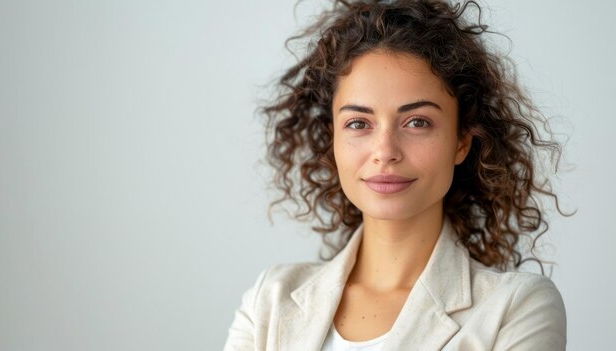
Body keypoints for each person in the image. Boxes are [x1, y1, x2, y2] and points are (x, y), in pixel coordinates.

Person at [225, 0, 568, 349]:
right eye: (358, 123)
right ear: (333, 141)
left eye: (417, 122)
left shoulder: (516, 307)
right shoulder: (269, 300)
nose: (385, 151)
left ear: (462, 141)